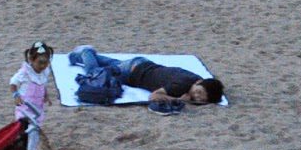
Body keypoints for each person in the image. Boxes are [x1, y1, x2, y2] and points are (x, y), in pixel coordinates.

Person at [75, 50, 224, 106]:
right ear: (199, 82)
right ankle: (86, 52)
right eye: (198, 92)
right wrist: (178, 100)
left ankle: (80, 55)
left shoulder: (195, 79)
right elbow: (154, 96)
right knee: (95, 73)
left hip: (141, 64)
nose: (195, 96)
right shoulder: (181, 86)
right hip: (132, 73)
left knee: (112, 64)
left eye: (201, 99)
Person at [10, 42, 54, 150]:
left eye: (46, 62)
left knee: (35, 130)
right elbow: (13, 83)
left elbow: (43, 84)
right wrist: (16, 95)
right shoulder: (25, 73)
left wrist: (46, 95)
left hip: (37, 108)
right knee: (22, 129)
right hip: (25, 107)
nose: (43, 65)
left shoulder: (44, 72)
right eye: (40, 62)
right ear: (31, 60)